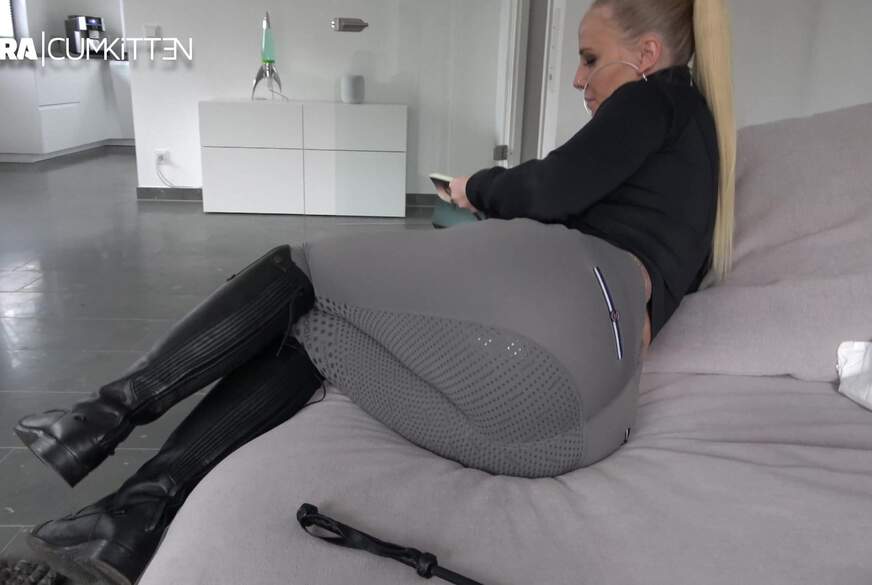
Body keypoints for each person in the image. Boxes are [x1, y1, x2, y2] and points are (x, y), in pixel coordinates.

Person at [11, 0, 736, 583]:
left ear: (647, 54)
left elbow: (547, 189)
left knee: (298, 269)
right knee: (315, 332)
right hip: (576, 432)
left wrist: (476, 187)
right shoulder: (704, 145)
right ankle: (132, 518)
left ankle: (98, 417)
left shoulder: (653, 100)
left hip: (561, 320)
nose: (579, 79)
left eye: (590, 57)